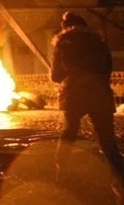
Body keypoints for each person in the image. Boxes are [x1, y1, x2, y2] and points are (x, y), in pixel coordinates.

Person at [51, 12, 123, 179]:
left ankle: (61, 170)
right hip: (99, 93)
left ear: (65, 28)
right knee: (106, 136)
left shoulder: (62, 44)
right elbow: (107, 69)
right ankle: (118, 169)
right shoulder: (99, 42)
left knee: (69, 131)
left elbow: (56, 76)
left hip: (74, 94)